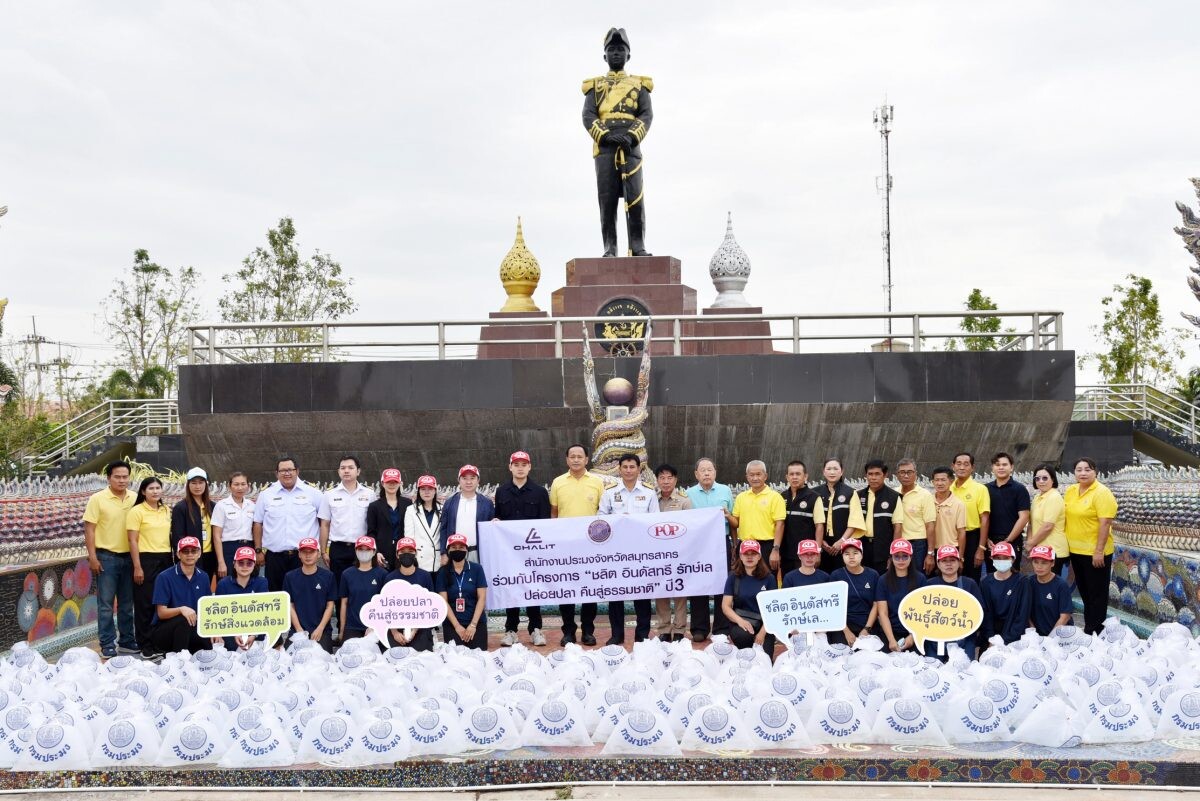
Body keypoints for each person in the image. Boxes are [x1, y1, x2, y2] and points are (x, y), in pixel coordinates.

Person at [582, 27, 653, 257]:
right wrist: (606, 136)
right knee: (608, 200)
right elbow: (588, 116)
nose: (615, 54)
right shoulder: (594, 88)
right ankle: (610, 248)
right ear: (604, 56)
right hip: (605, 149)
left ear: (628, 55)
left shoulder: (639, 86)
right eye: (611, 50)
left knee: (635, 199)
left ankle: (638, 246)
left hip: (630, 148)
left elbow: (646, 115)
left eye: (620, 50)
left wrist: (632, 136)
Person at [599, 453, 659, 644]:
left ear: (639, 469)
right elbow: (600, 519)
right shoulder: (609, 492)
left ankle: (642, 635)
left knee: (642, 594)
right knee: (615, 595)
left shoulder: (649, 492)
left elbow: (655, 521)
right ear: (619, 469)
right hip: (616, 552)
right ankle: (617, 634)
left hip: (641, 551)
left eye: (632, 467)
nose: (628, 470)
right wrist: (618, 520)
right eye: (625, 467)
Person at [493, 451, 550, 647]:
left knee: (533, 590)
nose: (519, 467)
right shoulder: (501, 492)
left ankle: (536, 629)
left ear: (529, 467)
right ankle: (511, 630)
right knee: (511, 590)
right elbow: (498, 518)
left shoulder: (540, 492)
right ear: (510, 467)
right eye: (516, 464)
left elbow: (545, 524)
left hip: (532, 553)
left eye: (523, 464)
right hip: (509, 554)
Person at [550, 444, 605, 646]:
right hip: (565, 547)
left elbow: (603, 513)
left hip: (591, 546)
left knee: (590, 590)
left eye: (579, 456)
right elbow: (554, 514)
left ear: (586, 459)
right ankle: (568, 632)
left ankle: (588, 631)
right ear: (567, 460)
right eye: (572, 456)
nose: (575, 460)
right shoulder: (558, 483)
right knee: (566, 589)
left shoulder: (597, 482)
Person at [83, 461, 137, 658]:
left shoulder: (136, 498)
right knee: (105, 605)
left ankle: (127, 641)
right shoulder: (97, 499)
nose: (122, 480)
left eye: (125, 477)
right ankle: (107, 643)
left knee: (127, 603)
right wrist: (92, 556)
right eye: (117, 477)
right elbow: (89, 529)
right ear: (109, 478)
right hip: (106, 557)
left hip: (130, 558)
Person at [1064, 457, 1118, 635]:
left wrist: (1099, 551)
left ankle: (1094, 631)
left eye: (1087, 469)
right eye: (1079, 470)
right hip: (1076, 551)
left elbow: (1105, 523)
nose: (1083, 473)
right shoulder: (1071, 491)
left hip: (1096, 552)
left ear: (1095, 472)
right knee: (1085, 593)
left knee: (1097, 594)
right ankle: (1091, 627)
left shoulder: (1102, 492)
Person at [253, 456, 323, 592]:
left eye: (290, 470)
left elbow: (324, 522)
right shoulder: (266, 494)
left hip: (303, 556)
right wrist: (258, 550)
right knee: (276, 596)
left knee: (303, 594)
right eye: (282, 470)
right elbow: (258, 523)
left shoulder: (313, 493)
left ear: (297, 471)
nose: (287, 473)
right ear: (276, 473)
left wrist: (321, 549)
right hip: (274, 557)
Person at [686, 457, 736, 641]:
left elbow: (733, 521)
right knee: (698, 583)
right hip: (697, 545)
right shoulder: (689, 494)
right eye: (703, 470)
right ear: (696, 474)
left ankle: (722, 627)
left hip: (721, 542)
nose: (706, 473)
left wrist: (734, 544)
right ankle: (699, 628)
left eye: (710, 470)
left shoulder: (725, 491)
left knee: (722, 584)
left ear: (715, 472)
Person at [126, 476, 173, 658]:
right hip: (145, 560)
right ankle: (145, 645)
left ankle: (159, 642)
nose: (155, 491)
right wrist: (137, 567)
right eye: (151, 488)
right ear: (143, 492)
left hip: (165, 560)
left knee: (163, 603)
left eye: (158, 488)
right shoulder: (136, 511)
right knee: (145, 603)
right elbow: (132, 540)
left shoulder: (166, 510)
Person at [319, 455, 378, 588]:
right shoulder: (329, 494)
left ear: (358, 471)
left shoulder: (369, 494)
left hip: (363, 548)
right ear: (338, 471)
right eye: (343, 468)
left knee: (363, 587)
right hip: (338, 549)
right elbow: (325, 524)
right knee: (340, 588)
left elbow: (373, 524)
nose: (346, 471)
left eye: (350, 468)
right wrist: (323, 551)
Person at [147, 536, 211, 655]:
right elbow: (161, 613)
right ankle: (179, 661)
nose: (190, 554)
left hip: (193, 628)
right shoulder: (164, 577)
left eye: (194, 551)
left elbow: (207, 610)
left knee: (208, 650)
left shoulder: (204, 576)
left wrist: (214, 633)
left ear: (199, 553)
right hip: (164, 632)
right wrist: (181, 609)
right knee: (183, 620)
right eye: (185, 551)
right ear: (178, 554)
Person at [653, 463, 693, 642]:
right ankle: (663, 628)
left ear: (675, 480)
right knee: (660, 590)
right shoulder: (652, 500)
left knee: (679, 590)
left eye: (670, 478)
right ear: (657, 480)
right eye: (662, 478)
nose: (666, 481)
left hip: (679, 554)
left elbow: (691, 527)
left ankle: (679, 629)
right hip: (657, 554)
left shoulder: (684, 501)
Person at [925, 545, 984, 661]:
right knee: (934, 670)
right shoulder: (929, 585)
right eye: (944, 561)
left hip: (964, 639)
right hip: (935, 639)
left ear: (959, 562)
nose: (949, 564)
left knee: (965, 672)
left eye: (952, 560)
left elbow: (980, 612)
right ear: (938, 564)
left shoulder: (969, 584)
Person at [721, 540, 779, 657]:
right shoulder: (733, 577)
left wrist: (762, 633)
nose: (749, 557)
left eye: (753, 554)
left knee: (766, 658)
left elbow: (774, 610)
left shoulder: (769, 578)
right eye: (746, 554)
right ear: (740, 557)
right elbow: (725, 606)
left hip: (764, 624)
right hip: (741, 623)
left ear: (759, 556)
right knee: (743, 639)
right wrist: (740, 621)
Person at [282, 537, 337, 652]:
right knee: (288, 659)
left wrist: (320, 628)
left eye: (311, 551)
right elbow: (290, 605)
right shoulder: (290, 577)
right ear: (299, 555)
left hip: (321, 630)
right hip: (297, 630)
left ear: (318, 554)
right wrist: (299, 629)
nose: (308, 555)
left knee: (324, 661)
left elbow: (330, 605)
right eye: (304, 552)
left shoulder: (328, 576)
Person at [730, 460, 786, 569]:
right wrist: (728, 516)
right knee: (743, 579)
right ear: (747, 477)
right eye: (752, 475)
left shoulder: (775, 497)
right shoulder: (741, 497)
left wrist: (776, 549)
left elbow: (780, 524)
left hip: (766, 546)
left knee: (767, 580)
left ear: (765, 476)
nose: (755, 478)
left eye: (758, 474)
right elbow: (735, 523)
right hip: (745, 545)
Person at [436, 533, 489, 649]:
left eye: (461, 547)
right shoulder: (443, 572)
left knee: (479, 659)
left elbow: (482, 598)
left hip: (476, 623)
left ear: (466, 550)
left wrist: (473, 625)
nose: (457, 550)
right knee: (455, 661)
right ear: (448, 551)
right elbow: (443, 601)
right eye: (454, 548)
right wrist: (457, 626)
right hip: (452, 624)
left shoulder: (477, 569)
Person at [814, 458, 866, 574]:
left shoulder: (851, 493)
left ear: (841, 471)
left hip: (845, 545)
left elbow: (855, 521)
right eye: (829, 469)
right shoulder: (815, 493)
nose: (832, 472)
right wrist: (821, 542)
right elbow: (812, 521)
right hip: (822, 545)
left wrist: (841, 541)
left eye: (835, 469)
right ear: (823, 471)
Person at [384, 538, 436, 651]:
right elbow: (386, 607)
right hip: (396, 626)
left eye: (410, 551)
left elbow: (429, 606)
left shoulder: (425, 576)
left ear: (415, 554)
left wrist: (414, 630)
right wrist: (394, 632)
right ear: (397, 555)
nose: (406, 554)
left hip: (420, 627)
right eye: (402, 552)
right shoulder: (390, 578)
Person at [875, 539, 926, 653]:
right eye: (897, 556)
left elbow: (925, 611)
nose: (901, 560)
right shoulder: (883, 580)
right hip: (890, 632)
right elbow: (882, 613)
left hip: (914, 632)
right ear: (891, 558)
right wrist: (891, 640)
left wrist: (913, 636)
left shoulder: (920, 579)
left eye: (905, 556)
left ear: (911, 557)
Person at [214, 546, 270, 651]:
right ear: (234, 564)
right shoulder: (223, 584)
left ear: (254, 565)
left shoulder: (262, 582)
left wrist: (254, 634)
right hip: (230, 630)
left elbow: (264, 613)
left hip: (255, 629)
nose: (245, 566)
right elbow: (218, 615)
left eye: (249, 563)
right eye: (241, 563)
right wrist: (233, 633)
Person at [854, 460, 903, 576]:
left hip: (883, 548)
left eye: (877, 474)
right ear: (866, 476)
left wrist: (893, 554)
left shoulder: (894, 497)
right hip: (861, 546)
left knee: (883, 579)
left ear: (885, 475)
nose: (873, 478)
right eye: (870, 474)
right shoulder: (857, 495)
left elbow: (898, 527)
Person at [438, 465, 496, 563]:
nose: (468, 482)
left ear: (478, 481)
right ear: (459, 480)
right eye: (464, 478)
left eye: (472, 478)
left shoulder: (487, 503)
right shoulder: (449, 502)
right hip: (455, 552)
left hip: (479, 553)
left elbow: (491, 529)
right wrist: (443, 553)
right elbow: (443, 528)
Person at [985, 452, 1031, 574]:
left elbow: (1024, 517)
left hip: (1012, 540)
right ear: (992, 468)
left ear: (1011, 467)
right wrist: (986, 539)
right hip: (990, 543)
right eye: (997, 464)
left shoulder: (1019, 489)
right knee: (992, 576)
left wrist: (1008, 540)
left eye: (1004, 464)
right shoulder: (985, 489)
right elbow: (982, 517)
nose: (1001, 467)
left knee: (1012, 576)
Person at [829, 538, 879, 647]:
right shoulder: (836, 576)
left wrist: (866, 629)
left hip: (867, 623)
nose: (851, 557)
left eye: (855, 553)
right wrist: (846, 631)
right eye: (847, 554)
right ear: (842, 556)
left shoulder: (873, 575)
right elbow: (833, 606)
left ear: (861, 555)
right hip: (843, 624)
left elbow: (876, 604)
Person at [338, 536, 389, 643]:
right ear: (355, 551)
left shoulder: (383, 574)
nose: (364, 552)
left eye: (367, 549)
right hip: (352, 626)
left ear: (374, 551)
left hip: (375, 626)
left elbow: (386, 604)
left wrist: (377, 625)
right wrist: (342, 630)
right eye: (361, 549)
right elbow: (344, 603)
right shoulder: (347, 574)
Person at [979, 541, 1031, 646]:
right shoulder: (985, 582)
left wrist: (1006, 640)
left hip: (1015, 637)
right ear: (992, 559)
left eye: (1005, 558)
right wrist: (992, 639)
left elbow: (1022, 616)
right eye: (998, 558)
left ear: (1013, 559)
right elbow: (985, 614)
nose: (1001, 561)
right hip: (992, 638)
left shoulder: (1022, 582)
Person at [779, 460, 825, 576]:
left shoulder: (814, 497)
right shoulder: (782, 497)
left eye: (798, 474)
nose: (794, 477)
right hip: (786, 553)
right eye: (791, 474)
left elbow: (819, 526)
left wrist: (817, 551)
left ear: (805, 476)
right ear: (787, 477)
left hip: (806, 554)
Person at [950, 452, 991, 583]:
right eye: (959, 464)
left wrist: (981, 548)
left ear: (972, 468)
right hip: (952, 537)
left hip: (972, 538)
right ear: (953, 466)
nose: (962, 467)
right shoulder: (948, 488)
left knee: (971, 578)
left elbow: (984, 520)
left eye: (966, 464)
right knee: (950, 576)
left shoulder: (980, 489)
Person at [171, 467, 217, 581]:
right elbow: (178, 536)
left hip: (209, 556)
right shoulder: (181, 507)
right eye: (194, 483)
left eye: (201, 483)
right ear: (188, 485)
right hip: (191, 557)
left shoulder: (213, 506)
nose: (197, 486)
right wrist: (188, 555)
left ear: (206, 484)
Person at [895, 458, 937, 575]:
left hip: (918, 545)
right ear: (897, 475)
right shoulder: (894, 493)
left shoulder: (925, 495)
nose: (906, 475)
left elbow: (930, 525)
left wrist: (930, 553)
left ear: (916, 474)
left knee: (918, 577)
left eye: (909, 472)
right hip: (898, 544)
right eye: (902, 472)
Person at [1027, 464, 1070, 576]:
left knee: (1051, 586)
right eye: (1037, 478)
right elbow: (1031, 524)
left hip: (1053, 550)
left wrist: (1031, 543)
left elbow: (1047, 526)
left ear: (1053, 480)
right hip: (1039, 548)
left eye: (1045, 478)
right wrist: (1030, 543)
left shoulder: (1054, 497)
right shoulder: (1037, 497)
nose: (1041, 481)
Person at [211, 472, 255, 581]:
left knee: (248, 584)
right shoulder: (221, 506)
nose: (240, 488)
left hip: (248, 547)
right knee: (227, 583)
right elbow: (216, 536)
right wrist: (221, 562)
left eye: (243, 484)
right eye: (236, 484)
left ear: (248, 486)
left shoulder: (252, 505)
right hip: (228, 550)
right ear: (229, 486)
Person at [367, 468, 412, 572]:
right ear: (382, 483)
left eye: (395, 482)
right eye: (389, 482)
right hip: (382, 553)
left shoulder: (408, 504)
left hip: (402, 550)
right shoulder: (374, 506)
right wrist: (376, 552)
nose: (392, 484)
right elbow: (371, 532)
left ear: (400, 483)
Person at [1026, 545, 1074, 636]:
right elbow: (1025, 612)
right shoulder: (1029, 582)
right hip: (1037, 636)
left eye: (1044, 563)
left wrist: (1051, 638)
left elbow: (1065, 617)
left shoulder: (1061, 585)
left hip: (1060, 635)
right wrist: (1033, 632)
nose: (1039, 566)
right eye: (1036, 562)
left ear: (1052, 563)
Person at [403, 475, 441, 572]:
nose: (426, 492)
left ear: (435, 490)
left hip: (438, 561)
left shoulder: (443, 509)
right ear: (419, 491)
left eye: (430, 489)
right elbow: (409, 538)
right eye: (423, 489)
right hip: (419, 561)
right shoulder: (411, 510)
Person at [931, 466, 967, 558]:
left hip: (951, 549)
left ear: (951, 481)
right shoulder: (927, 501)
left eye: (943, 480)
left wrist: (961, 557)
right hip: (930, 549)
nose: (939, 483)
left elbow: (961, 532)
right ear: (932, 482)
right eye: (937, 480)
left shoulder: (959, 504)